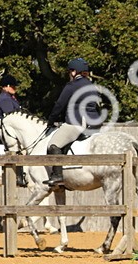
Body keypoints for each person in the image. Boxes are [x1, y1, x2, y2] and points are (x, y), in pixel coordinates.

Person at [43, 57, 102, 188]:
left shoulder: (72, 86)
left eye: (70, 72)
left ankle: (58, 176)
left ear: (74, 72)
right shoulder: (93, 86)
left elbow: (59, 105)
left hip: (77, 123)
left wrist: (51, 120)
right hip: (94, 124)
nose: (69, 74)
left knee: (53, 145)